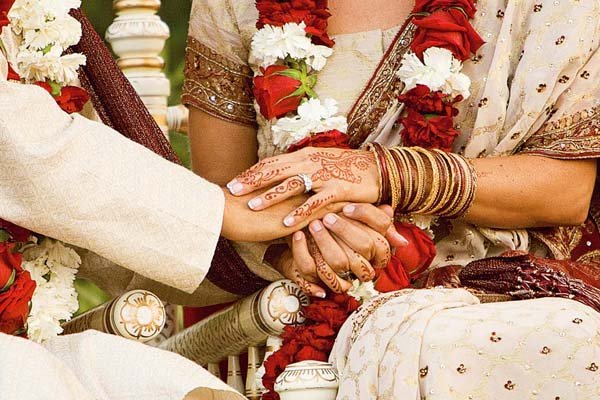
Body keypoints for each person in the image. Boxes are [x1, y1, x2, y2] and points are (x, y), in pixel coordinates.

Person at [190, 0, 600, 397]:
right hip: (312, 311)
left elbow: (567, 191)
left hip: (513, 289)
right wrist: (299, 254)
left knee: (535, 340)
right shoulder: (234, 5)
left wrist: (383, 172)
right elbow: (222, 209)